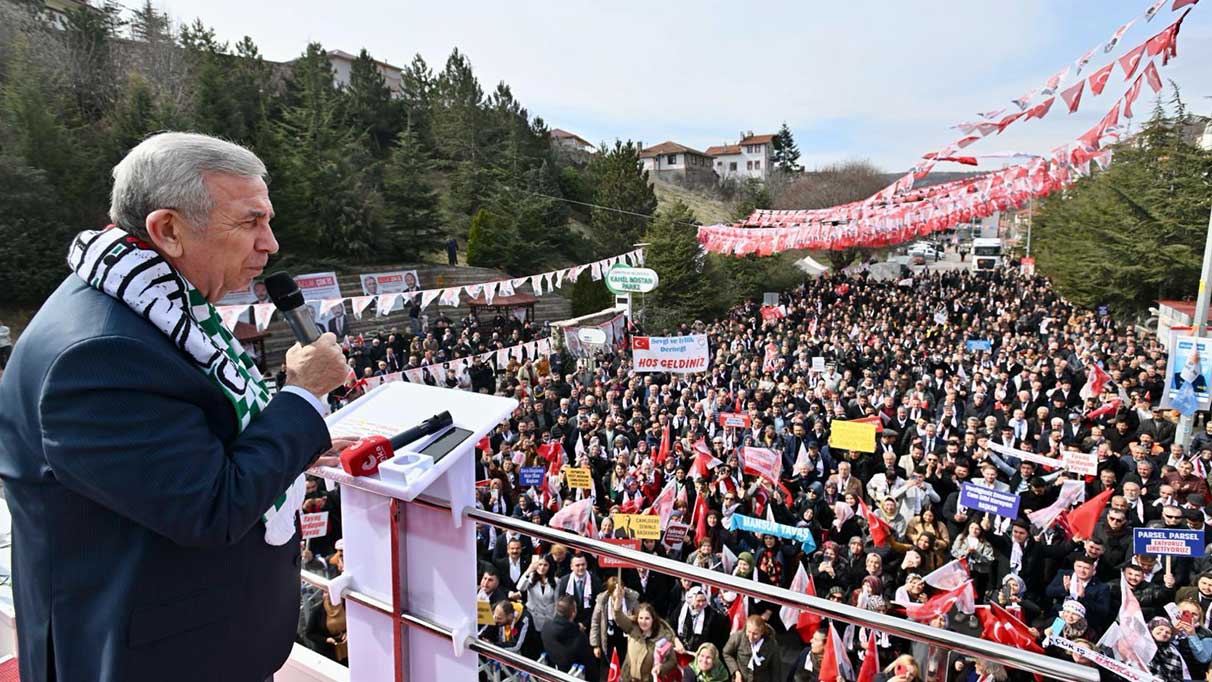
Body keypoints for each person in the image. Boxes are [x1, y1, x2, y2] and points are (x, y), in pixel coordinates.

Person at [0, 132, 352, 682]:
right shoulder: (100, 355)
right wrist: (303, 395)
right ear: (168, 229)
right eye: (250, 222)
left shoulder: (151, 307)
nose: (271, 244)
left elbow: (168, 459)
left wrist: (295, 444)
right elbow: (209, 506)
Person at [611, 582, 680, 682]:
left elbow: (673, 661)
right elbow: (619, 618)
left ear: (653, 619)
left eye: (647, 618)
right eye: (641, 618)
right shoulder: (632, 628)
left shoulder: (664, 637)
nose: (643, 622)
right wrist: (617, 606)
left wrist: (661, 667)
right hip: (628, 678)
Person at [542, 596, 599, 679]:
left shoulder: (546, 627)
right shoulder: (579, 638)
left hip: (554, 671)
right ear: (573, 613)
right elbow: (590, 665)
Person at [722, 615, 784, 682]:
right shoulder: (738, 637)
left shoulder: (771, 644)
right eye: (749, 632)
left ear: (762, 632)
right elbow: (726, 653)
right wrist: (736, 672)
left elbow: (775, 669)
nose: (751, 637)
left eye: (755, 634)